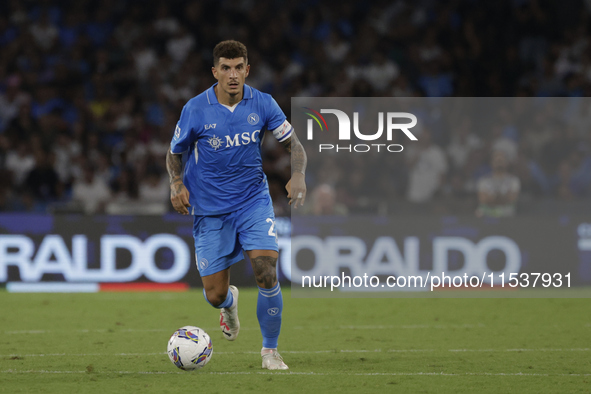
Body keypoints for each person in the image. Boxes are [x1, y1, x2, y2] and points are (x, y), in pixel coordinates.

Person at [166, 40, 307, 370]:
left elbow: (294, 144)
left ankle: (270, 352)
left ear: (247, 70)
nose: (233, 74)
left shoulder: (264, 103)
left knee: (266, 272)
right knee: (214, 294)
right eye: (226, 68)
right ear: (215, 72)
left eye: (238, 67)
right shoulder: (195, 109)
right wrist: (175, 182)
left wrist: (298, 174)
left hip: (252, 202)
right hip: (210, 208)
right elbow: (174, 152)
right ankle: (229, 305)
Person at [476, 150, 520, 217]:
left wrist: (492, 198)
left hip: (506, 212)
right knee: (479, 211)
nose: (499, 163)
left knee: (510, 210)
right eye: (497, 161)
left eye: (501, 161)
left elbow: (512, 199)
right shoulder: (484, 180)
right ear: (491, 163)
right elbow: (483, 199)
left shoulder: (513, 180)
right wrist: (502, 197)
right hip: (488, 211)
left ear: (506, 163)